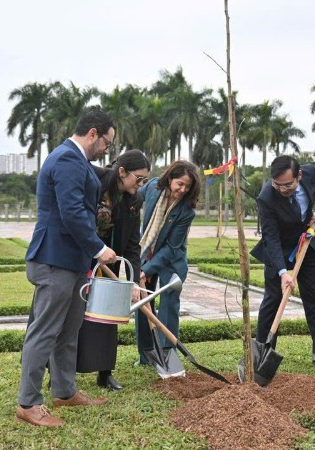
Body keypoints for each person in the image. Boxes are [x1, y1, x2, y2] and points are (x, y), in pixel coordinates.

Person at [16, 108, 118, 428]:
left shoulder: (79, 162)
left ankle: (64, 391)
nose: (107, 150)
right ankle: (28, 403)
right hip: (54, 259)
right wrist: (99, 248)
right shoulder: (66, 160)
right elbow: (72, 212)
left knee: (69, 330)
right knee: (45, 332)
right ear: (92, 134)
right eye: (106, 143)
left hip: (72, 261)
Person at [250, 155, 315, 370]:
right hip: (278, 245)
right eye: (277, 185)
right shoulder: (266, 197)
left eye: (288, 185)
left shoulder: (311, 173)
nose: (282, 189)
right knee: (272, 300)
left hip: (307, 241)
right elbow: (270, 237)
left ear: (299, 175)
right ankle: (263, 352)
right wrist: (282, 272)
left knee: (314, 296)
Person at [76, 150, 151, 390]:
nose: (140, 185)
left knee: (106, 319)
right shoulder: (94, 182)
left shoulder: (134, 200)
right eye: (138, 179)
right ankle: (60, 371)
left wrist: (133, 282)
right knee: (72, 317)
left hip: (110, 265)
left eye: (144, 181)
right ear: (122, 172)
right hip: (81, 261)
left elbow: (131, 245)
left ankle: (105, 373)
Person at [134, 160, 200, 365]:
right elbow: (133, 199)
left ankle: (166, 353)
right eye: (180, 183)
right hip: (146, 251)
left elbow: (171, 248)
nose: (183, 190)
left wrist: (146, 270)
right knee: (143, 305)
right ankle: (146, 355)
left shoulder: (186, 211)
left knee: (169, 304)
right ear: (170, 178)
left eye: (187, 186)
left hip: (171, 261)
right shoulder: (153, 187)